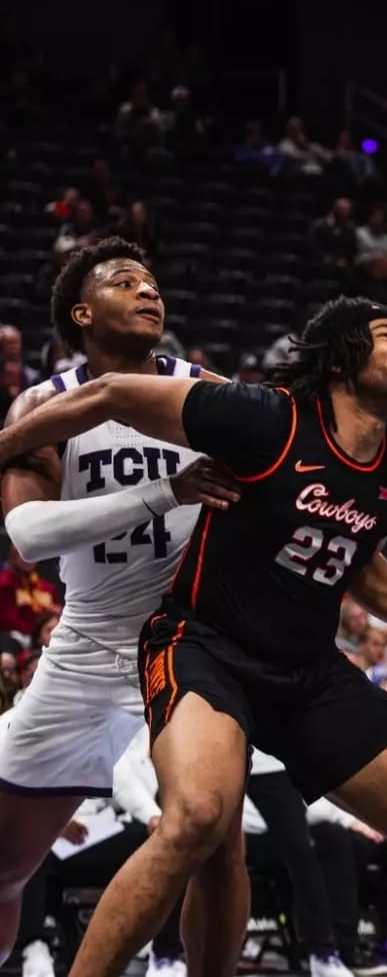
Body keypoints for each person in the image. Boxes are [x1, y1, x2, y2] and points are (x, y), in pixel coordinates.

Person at [0, 296, 387, 977]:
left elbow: (367, 575)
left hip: (308, 673)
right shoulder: (265, 417)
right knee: (199, 819)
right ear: (345, 357)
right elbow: (110, 392)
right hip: (203, 648)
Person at [0, 239, 241, 973]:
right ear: (82, 311)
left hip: (185, 652)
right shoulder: (45, 405)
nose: (149, 291)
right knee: (5, 865)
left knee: (213, 847)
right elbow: (25, 537)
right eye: (126, 281)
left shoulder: (209, 391)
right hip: (82, 652)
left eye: (153, 282)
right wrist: (165, 492)